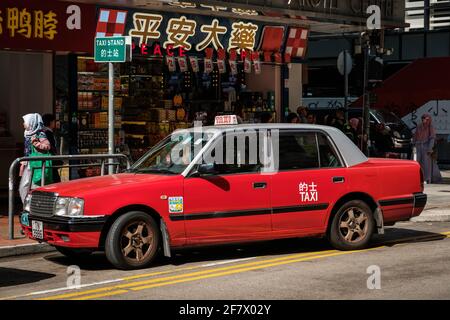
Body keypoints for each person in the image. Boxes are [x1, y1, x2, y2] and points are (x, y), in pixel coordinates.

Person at [19, 113, 52, 202]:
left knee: (35, 187)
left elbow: (47, 147)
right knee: (24, 187)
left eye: (25, 122)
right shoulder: (27, 133)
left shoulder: (40, 134)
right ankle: (27, 207)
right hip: (29, 164)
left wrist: (36, 144)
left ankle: (34, 208)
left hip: (37, 164)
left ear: (31, 122)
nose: (23, 124)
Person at [414, 114, 442, 184]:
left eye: (427, 119)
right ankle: (417, 178)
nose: (426, 121)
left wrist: (430, 148)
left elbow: (432, 138)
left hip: (426, 147)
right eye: (424, 119)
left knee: (427, 164)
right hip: (418, 146)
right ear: (422, 119)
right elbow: (415, 136)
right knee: (417, 163)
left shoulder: (430, 127)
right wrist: (414, 145)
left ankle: (427, 179)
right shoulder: (419, 126)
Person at [42, 113, 61, 183]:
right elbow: (51, 146)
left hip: (48, 159)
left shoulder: (43, 132)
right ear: (50, 122)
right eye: (54, 121)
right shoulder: (48, 133)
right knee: (55, 178)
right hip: (50, 159)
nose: (55, 123)